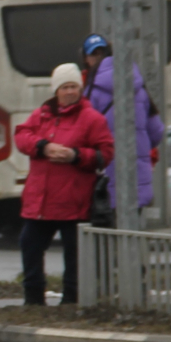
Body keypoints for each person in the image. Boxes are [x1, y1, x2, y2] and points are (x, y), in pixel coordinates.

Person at [14, 63, 114, 305]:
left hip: (74, 200)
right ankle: (33, 299)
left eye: (73, 87)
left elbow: (106, 153)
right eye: (64, 87)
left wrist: (76, 156)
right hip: (40, 201)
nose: (69, 92)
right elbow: (21, 136)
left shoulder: (92, 119)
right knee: (29, 245)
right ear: (55, 90)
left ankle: (72, 299)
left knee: (74, 254)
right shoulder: (41, 115)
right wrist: (42, 147)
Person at [81, 33, 165, 217]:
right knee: (132, 236)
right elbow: (157, 131)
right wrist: (138, 146)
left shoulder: (91, 92)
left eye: (96, 54)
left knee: (106, 240)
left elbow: (83, 134)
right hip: (137, 180)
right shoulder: (138, 86)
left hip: (105, 180)